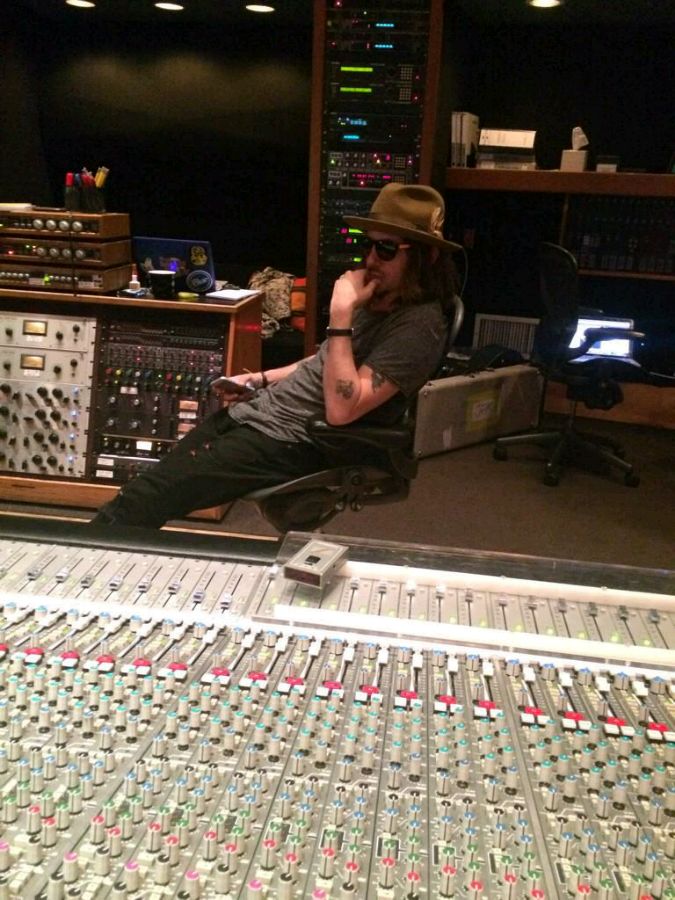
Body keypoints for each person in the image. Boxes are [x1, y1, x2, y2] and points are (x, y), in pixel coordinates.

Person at [91, 183, 461, 528]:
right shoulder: (381, 298)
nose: (371, 259)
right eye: (369, 245)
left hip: (297, 438)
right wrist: (261, 379)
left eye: (386, 249)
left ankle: (81, 562)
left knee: (142, 501)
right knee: (146, 489)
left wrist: (340, 315)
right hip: (263, 415)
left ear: (426, 256)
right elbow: (324, 361)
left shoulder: (418, 328)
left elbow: (342, 409)